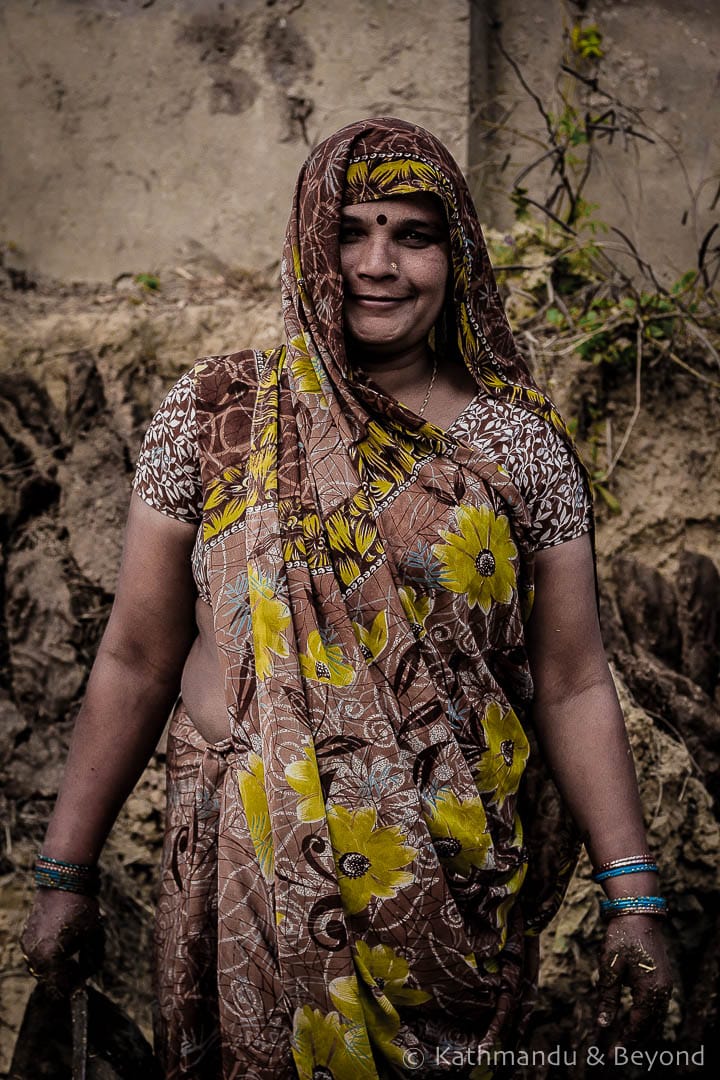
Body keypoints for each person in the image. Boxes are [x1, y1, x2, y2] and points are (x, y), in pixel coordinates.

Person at [21, 117, 672, 1078]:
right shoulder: (216, 414)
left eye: (414, 235)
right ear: (309, 242)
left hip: (447, 896)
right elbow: (136, 657)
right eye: (351, 231)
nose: (379, 263)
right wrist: (65, 874)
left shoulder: (516, 449)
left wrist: (634, 895)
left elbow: (572, 682)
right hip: (248, 879)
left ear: (457, 259)